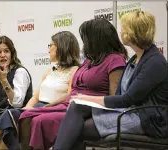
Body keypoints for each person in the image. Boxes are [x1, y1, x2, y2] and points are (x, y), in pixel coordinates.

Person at [53, 10, 168, 150]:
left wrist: (87, 98)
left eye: (124, 28)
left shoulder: (154, 62)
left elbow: (126, 99)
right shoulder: (135, 59)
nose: (120, 32)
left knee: (77, 129)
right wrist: (83, 100)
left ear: (132, 32)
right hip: (128, 112)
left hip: (146, 119)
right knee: (77, 107)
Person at [19, 18, 128, 150]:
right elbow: (71, 93)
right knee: (26, 116)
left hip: (89, 110)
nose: (84, 43)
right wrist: (49, 106)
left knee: (39, 120)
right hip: (69, 105)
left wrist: (88, 101)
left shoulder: (115, 60)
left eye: (86, 38)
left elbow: (114, 98)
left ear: (97, 39)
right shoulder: (89, 60)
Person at [0, 31, 81, 150]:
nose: (49, 50)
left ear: (61, 47)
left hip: (53, 108)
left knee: (10, 114)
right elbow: (35, 97)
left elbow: (70, 95)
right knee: (11, 121)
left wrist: (47, 106)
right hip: (38, 107)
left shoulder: (75, 71)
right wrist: (26, 110)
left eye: (51, 45)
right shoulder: (50, 71)